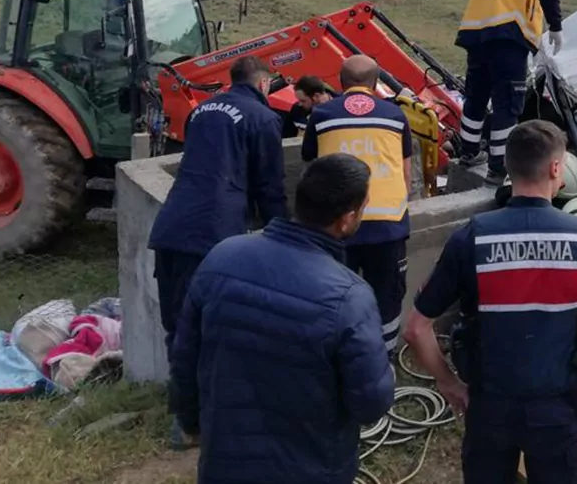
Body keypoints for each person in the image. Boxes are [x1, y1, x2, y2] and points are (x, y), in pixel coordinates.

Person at [403, 119, 577, 484]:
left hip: (490, 408)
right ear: (556, 168)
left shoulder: (470, 238)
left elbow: (416, 329)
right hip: (558, 411)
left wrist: (449, 384)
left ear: (508, 166)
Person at [170, 153, 395, 484]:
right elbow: (370, 404)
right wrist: (385, 372)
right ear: (347, 220)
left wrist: (191, 423)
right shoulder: (350, 296)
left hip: (225, 465)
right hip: (312, 469)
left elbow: (185, 356)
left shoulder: (222, 256)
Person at [147, 55, 287, 448]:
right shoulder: (263, 119)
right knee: (211, 328)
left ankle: (182, 415)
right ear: (263, 85)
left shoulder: (202, 109)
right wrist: (283, 234)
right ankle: (202, 420)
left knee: (177, 324)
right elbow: (269, 186)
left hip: (172, 226)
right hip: (212, 232)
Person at [302, 55, 412, 354]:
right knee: (387, 298)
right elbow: (405, 171)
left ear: (341, 82)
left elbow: (313, 165)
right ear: (376, 84)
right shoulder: (395, 115)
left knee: (334, 297)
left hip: (337, 226)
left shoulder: (322, 115)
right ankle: (383, 361)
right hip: (388, 226)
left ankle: (338, 359)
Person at [455, 0, 563, 185]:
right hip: (507, 33)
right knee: (507, 101)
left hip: (475, 31)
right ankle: (498, 169)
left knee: (476, 97)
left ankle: (468, 152)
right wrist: (556, 24)